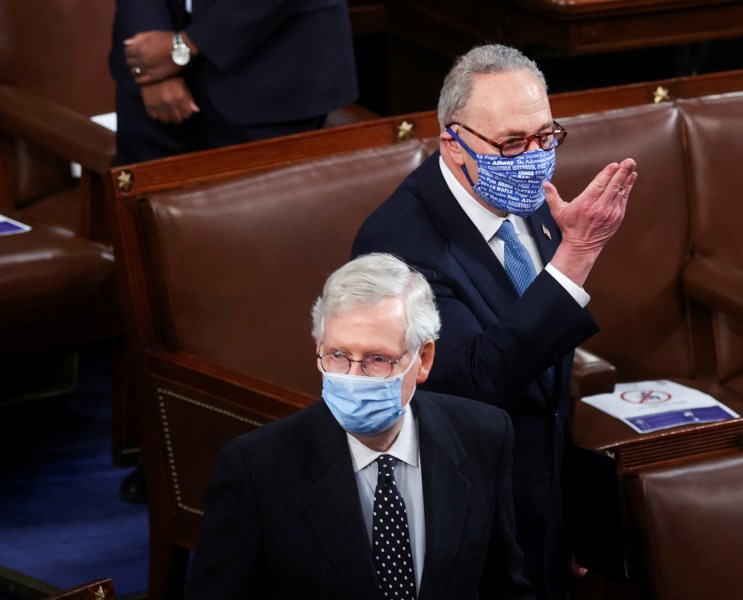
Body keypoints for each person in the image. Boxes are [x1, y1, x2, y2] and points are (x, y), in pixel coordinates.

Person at [352, 44, 637, 599]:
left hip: (544, 511)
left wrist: (567, 517)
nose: (534, 157)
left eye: (545, 136)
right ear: (452, 143)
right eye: (511, 143)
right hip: (467, 527)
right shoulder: (395, 245)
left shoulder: (527, 198)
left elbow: (546, 391)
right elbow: (474, 382)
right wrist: (575, 257)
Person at [186, 253, 534, 599]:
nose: (353, 378)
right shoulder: (255, 468)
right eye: (337, 355)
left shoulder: (484, 435)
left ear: (423, 359)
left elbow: (503, 586)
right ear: (319, 349)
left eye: (377, 359)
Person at [108, 0, 358, 164]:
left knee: (266, 233)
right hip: (150, 80)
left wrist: (186, 45)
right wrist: (149, 61)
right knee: (147, 234)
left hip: (273, 68)